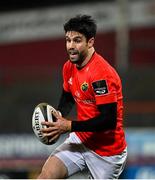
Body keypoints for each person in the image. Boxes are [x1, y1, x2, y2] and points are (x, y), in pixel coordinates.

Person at [38, 14, 127, 179]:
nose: (70, 46)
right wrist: (58, 117)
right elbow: (68, 96)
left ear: (90, 42)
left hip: (107, 153)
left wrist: (68, 126)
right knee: (46, 176)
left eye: (77, 40)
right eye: (68, 40)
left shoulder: (102, 74)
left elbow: (108, 120)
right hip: (80, 140)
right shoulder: (69, 67)